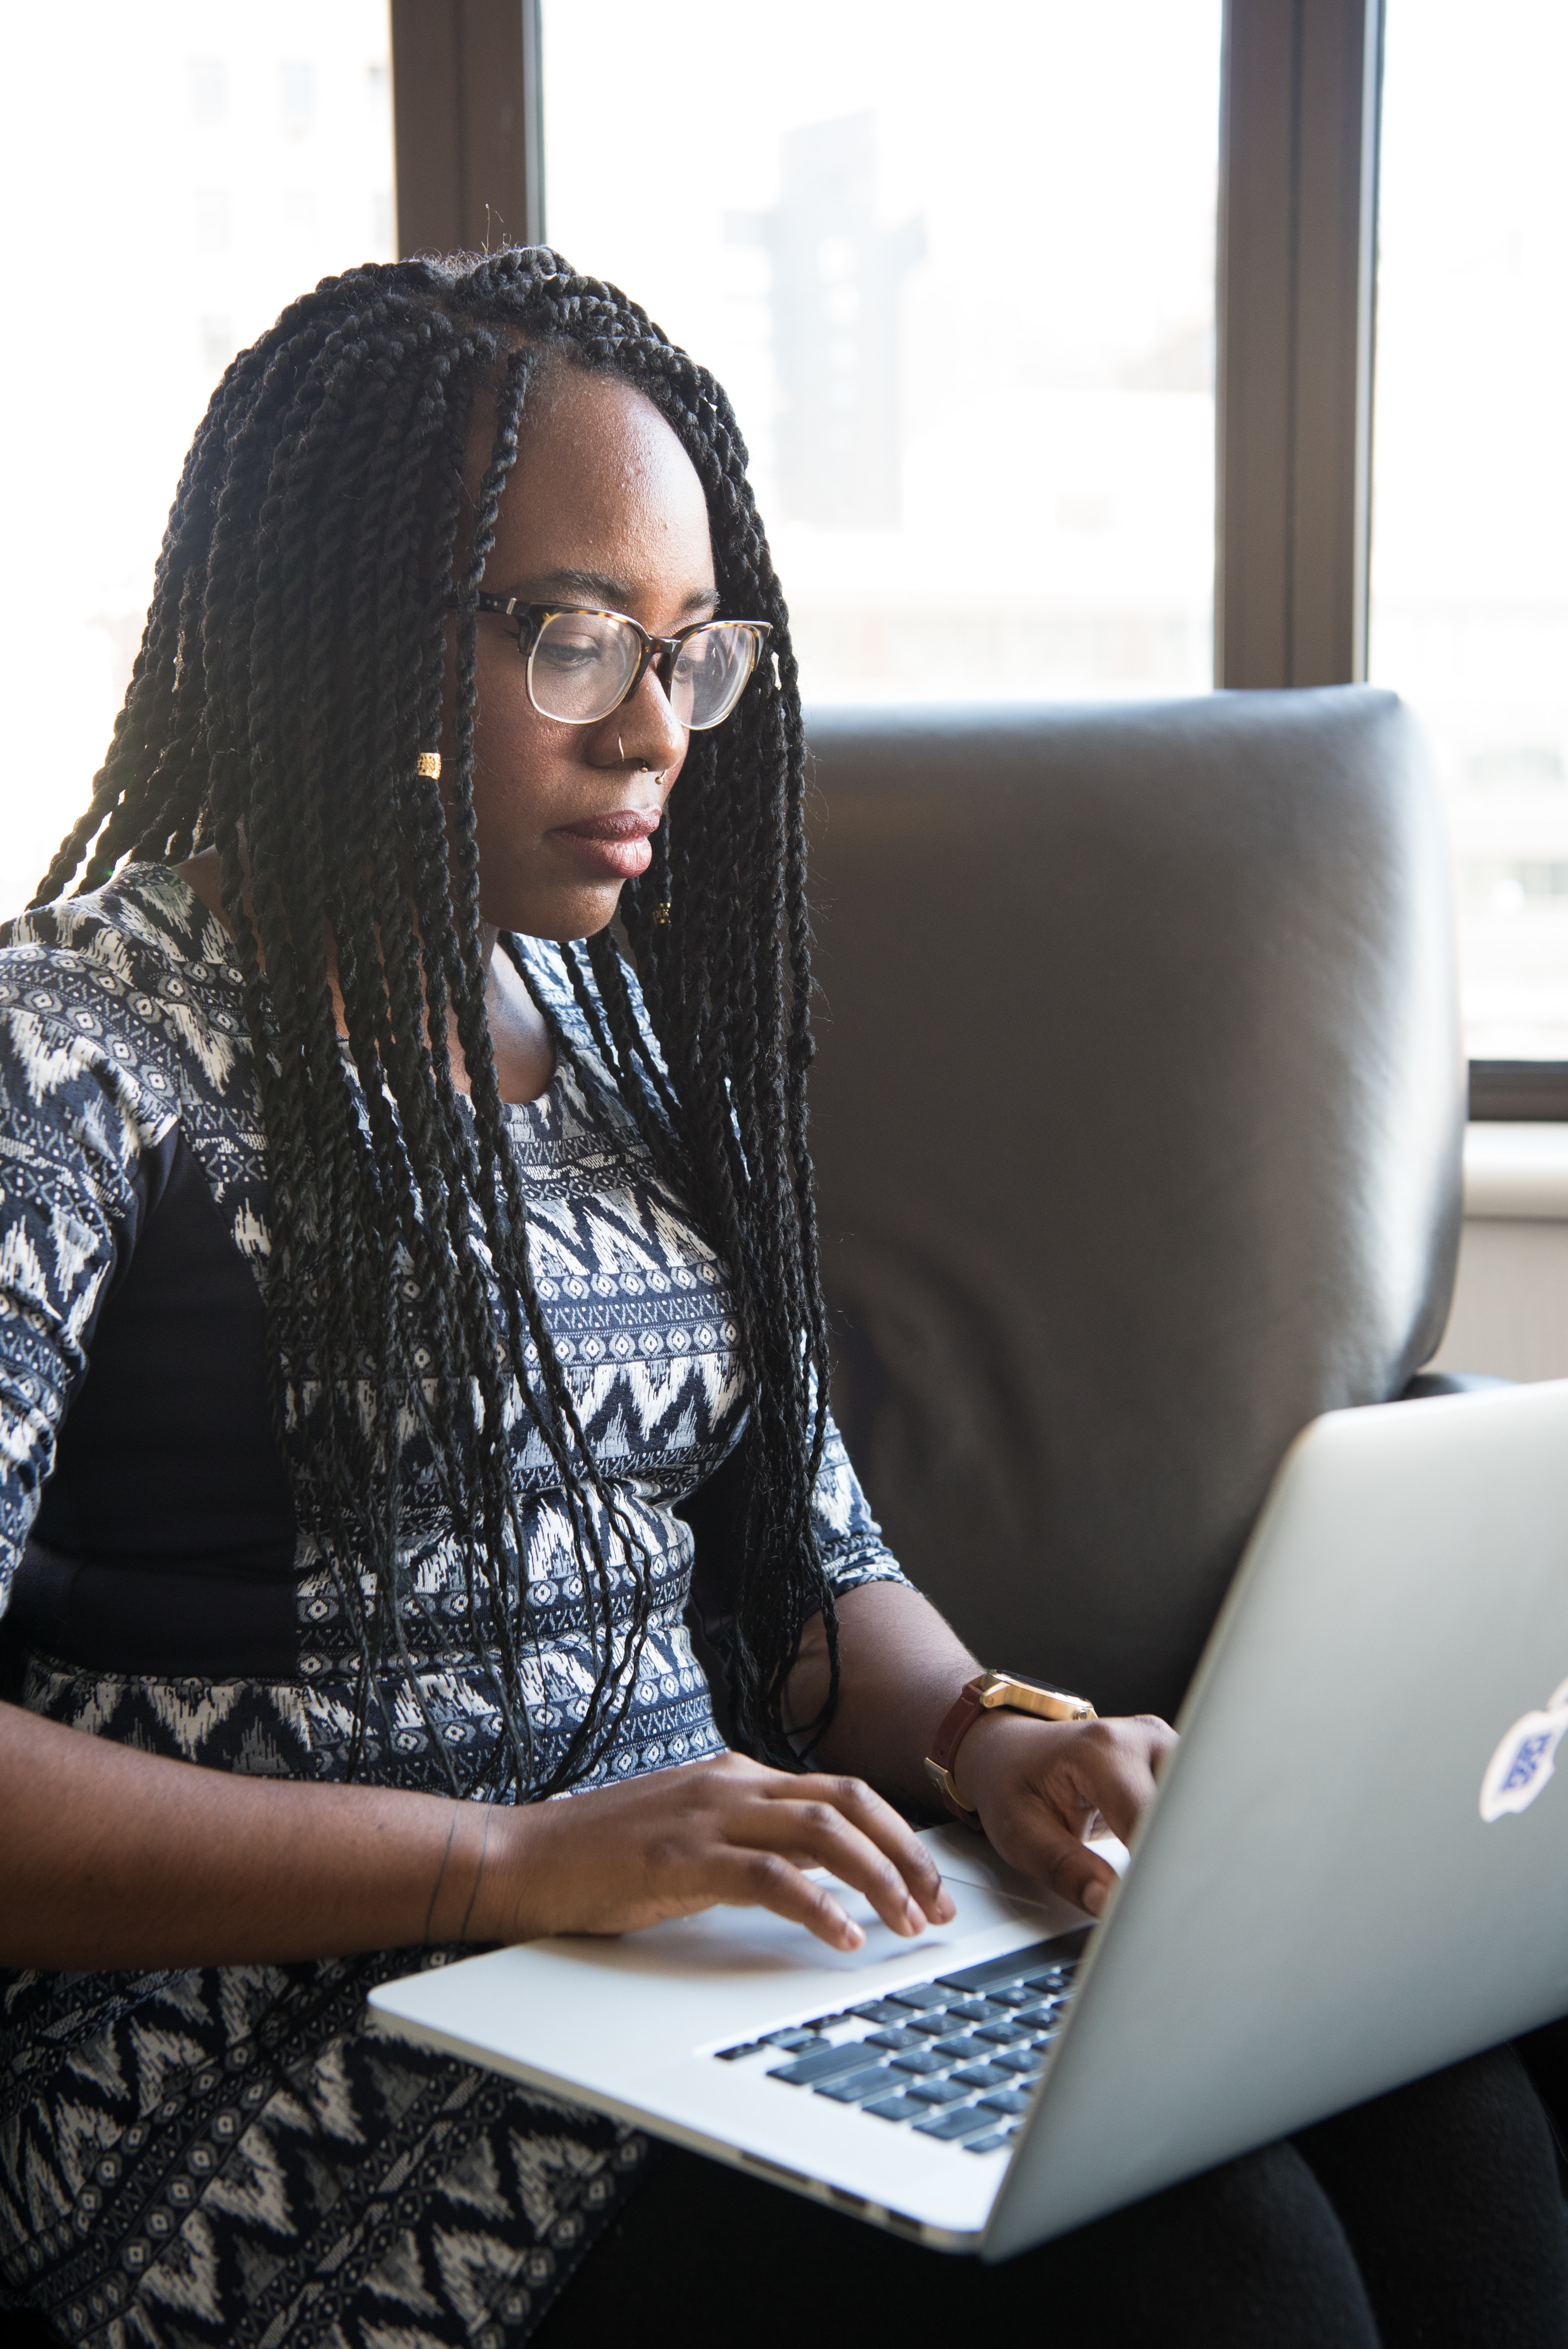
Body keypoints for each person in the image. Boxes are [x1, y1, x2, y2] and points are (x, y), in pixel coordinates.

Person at [0, 249, 1562, 2349]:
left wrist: (995, 1731)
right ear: (339, 623)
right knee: (1218, 2283)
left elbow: (814, 1574)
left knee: (1447, 2116)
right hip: (278, 2072)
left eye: (688, 651)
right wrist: (509, 1866)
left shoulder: (627, 1037)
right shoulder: (77, 1057)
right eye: (571, 640)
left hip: (684, 1978)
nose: (657, 732)